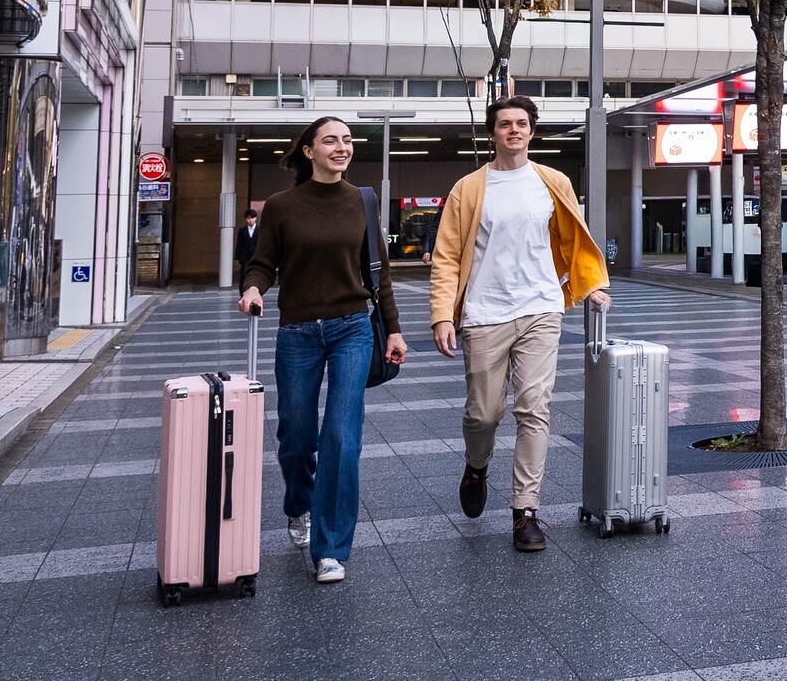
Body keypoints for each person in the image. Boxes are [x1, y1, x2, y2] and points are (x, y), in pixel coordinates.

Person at [428, 95, 610, 553]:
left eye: (522, 124)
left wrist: (588, 288)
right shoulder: (469, 189)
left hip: (540, 307)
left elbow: (574, 240)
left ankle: (525, 511)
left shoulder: (551, 182)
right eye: (505, 124)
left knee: (534, 408)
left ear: (532, 131)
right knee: (483, 413)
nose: (514, 130)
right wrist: (441, 315)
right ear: (492, 133)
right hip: (484, 312)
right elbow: (448, 256)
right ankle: (476, 464)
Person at [238, 117, 408, 585]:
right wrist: (253, 290)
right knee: (296, 435)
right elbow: (262, 264)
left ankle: (330, 548)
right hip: (297, 332)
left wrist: (393, 331)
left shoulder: (362, 201)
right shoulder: (280, 206)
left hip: (353, 328)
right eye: (330, 140)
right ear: (309, 150)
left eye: (348, 140)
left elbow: (380, 273)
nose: (342, 147)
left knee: (341, 435)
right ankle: (299, 505)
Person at [233, 208, 259, 282]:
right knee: (244, 274)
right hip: (245, 256)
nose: (250, 220)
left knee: (256, 274)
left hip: (256, 255)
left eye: (252, 218)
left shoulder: (260, 229)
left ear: (255, 218)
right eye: (248, 218)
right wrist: (239, 257)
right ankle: (242, 291)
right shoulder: (242, 230)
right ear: (245, 219)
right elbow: (239, 244)